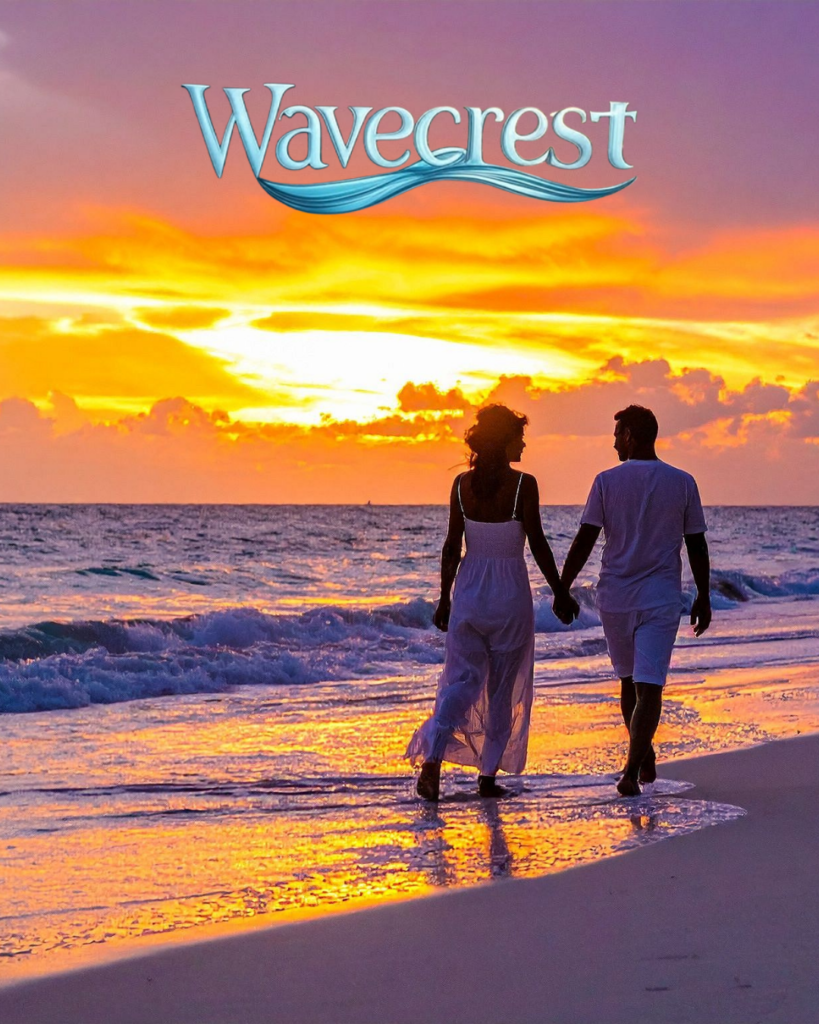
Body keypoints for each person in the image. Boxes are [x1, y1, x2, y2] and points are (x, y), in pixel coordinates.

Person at [406, 404, 579, 801]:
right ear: (504, 442)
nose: (523, 443)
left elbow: (452, 546)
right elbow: (537, 543)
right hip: (509, 596)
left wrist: (444, 598)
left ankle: (433, 758)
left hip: (469, 593)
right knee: (502, 689)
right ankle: (487, 778)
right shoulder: (524, 485)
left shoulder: (461, 486)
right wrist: (559, 591)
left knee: (460, 680)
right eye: (519, 437)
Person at [560, 405, 711, 797]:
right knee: (643, 683)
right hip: (657, 597)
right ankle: (641, 755)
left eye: (616, 434)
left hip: (618, 596)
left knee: (638, 683)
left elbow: (585, 540)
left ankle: (630, 769)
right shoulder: (682, 481)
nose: (613, 442)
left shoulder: (607, 481)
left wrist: (563, 585)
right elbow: (696, 544)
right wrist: (704, 595)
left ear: (629, 435)